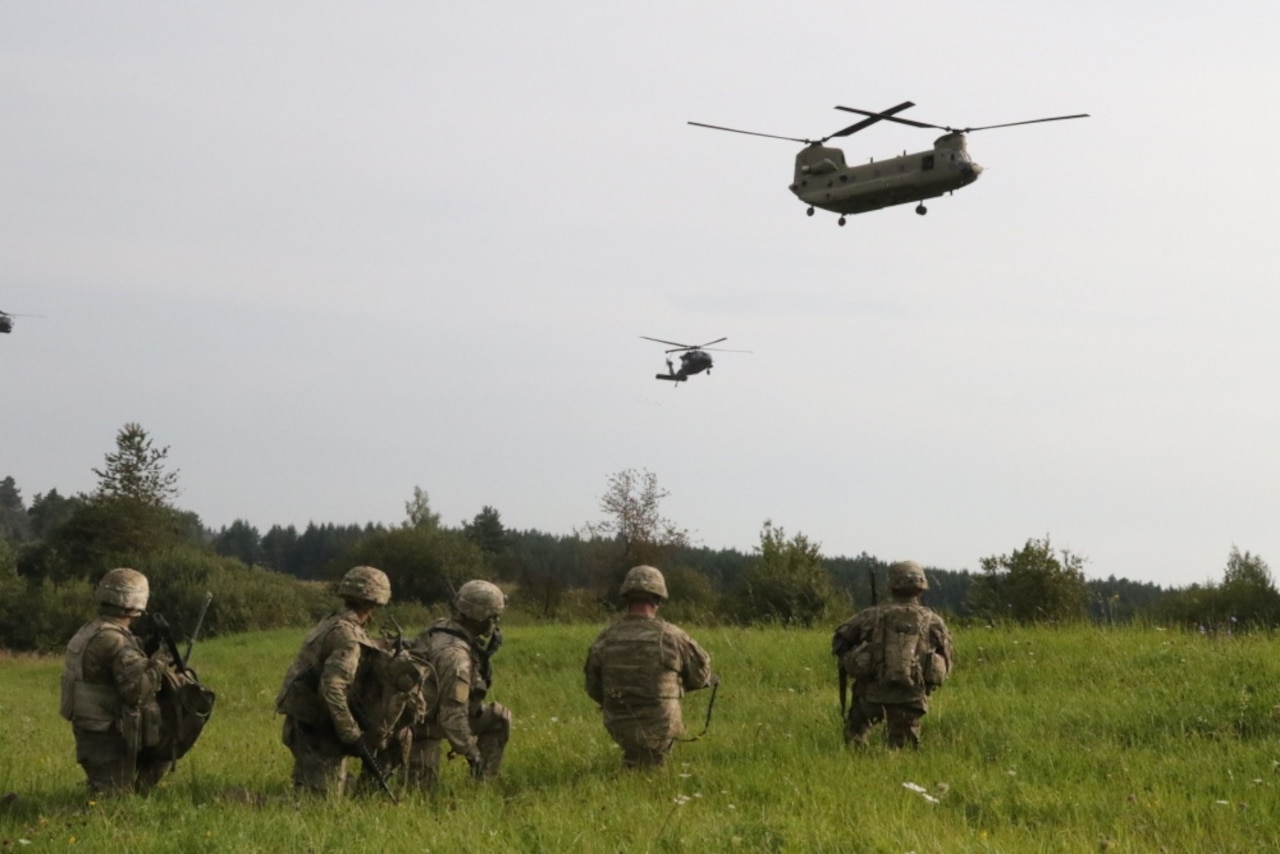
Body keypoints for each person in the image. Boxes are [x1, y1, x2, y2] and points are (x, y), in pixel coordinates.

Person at [584, 565, 715, 769]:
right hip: (660, 724)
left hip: (618, 722)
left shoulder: (606, 637)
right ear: (658, 599)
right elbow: (700, 676)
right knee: (652, 768)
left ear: (627, 598)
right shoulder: (672, 636)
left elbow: (593, 687)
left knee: (638, 763)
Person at [275, 565, 391, 794]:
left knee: (324, 792)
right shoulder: (348, 636)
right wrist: (352, 734)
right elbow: (332, 689)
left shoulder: (331, 622)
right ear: (374, 603)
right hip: (316, 730)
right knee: (316, 807)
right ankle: (239, 801)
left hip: (308, 722)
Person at [60, 567, 172, 794]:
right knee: (115, 800)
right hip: (108, 734)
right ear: (136, 602)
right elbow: (137, 691)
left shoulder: (90, 630)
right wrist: (159, 664)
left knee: (117, 792)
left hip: (92, 728)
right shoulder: (115, 640)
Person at [831, 560, 954, 749]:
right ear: (921, 588)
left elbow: (840, 641)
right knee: (901, 750)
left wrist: (855, 659)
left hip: (870, 695)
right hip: (911, 697)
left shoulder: (871, 615)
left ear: (892, 586)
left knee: (856, 734)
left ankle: (858, 767)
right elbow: (947, 659)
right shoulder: (935, 622)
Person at [400, 579, 510, 789]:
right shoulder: (456, 657)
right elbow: (452, 715)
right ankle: (481, 781)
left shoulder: (442, 627)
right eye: (493, 617)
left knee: (498, 718)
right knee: (421, 796)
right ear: (481, 616)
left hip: (429, 716)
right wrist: (472, 754)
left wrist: (485, 656)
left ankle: (484, 787)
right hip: (421, 726)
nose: (495, 623)